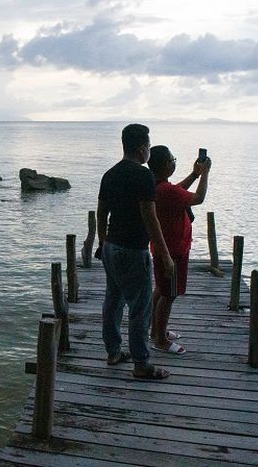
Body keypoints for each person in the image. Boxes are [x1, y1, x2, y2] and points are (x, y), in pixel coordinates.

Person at [97, 124, 174, 380]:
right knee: (140, 309)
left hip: (111, 247)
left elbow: (101, 213)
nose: (149, 151)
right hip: (133, 250)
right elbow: (150, 218)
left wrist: (102, 242)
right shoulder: (144, 176)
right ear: (142, 149)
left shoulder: (109, 175)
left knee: (113, 301)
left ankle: (113, 352)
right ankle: (141, 365)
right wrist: (165, 254)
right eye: (149, 147)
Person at [147, 145, 211, 355]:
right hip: (173, 252)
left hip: (163, 248)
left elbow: (179, 190)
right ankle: (160, 340)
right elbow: (198, 198)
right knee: (169, 295)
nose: (175, 162)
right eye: (173, 159)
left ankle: (156, 331)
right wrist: (205, 175)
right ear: (167, 165)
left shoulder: (158, 186)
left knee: (161, 290)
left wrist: (194, 173)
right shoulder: (166, 190)